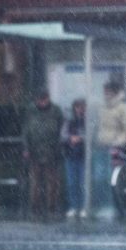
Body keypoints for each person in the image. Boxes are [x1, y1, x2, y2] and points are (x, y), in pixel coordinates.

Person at [22, 89, 63, 220]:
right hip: (35, 151)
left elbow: (60, 130)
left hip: (52, 152)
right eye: (40, 100)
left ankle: (52, 206)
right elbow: (26, 131)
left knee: (52, 182)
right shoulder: (31, 111)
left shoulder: (56, 111)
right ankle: (36, 207)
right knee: (35, 182)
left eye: (44, 99)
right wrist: (26, 148)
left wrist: (58, 147)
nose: (42, 102)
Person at [95, 80, 126, 218]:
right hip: (101, 147)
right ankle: (101, 205)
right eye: (105, 92)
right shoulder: (102, 107)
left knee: (110, 178)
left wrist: (118, 142)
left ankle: (111, 206)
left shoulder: (123, 108)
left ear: (115, 92)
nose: (106, 95)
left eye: (108, 92)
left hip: (114, 148)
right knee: (99, 178)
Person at [60, 99, 86, 219]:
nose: (80, 109)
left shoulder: (87, 120)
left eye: (82, 107)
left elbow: (91, 134)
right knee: (72, 183)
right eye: (78, 107)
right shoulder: (69, 121)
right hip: (71, 156)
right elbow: (63, 135)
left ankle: (83, 206)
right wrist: (71, 138)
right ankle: (73, 207)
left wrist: (80, 138)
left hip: (83, 156)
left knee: (82, 182)